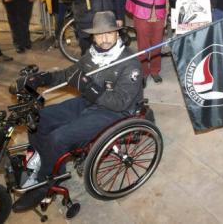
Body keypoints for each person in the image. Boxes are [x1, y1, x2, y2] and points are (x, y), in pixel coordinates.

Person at [11, 11, 142, 211]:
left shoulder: (129, 62)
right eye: (99, 34)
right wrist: (42, 78)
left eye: (109, 33)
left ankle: (46, 184)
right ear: (93, 36)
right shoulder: (92, 55)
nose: (104, 39)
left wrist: (91, 88)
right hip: (89, 102)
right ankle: (48, 163)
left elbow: (120, 103)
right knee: (38, 118)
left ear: (117, 33)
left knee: (58, 137)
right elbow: (69, 75)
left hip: (114, 114)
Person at [61, 0, 125, 56]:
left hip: (108, 23)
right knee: (88, 55)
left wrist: (119, 16)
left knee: (110, 55)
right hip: (87, 24)